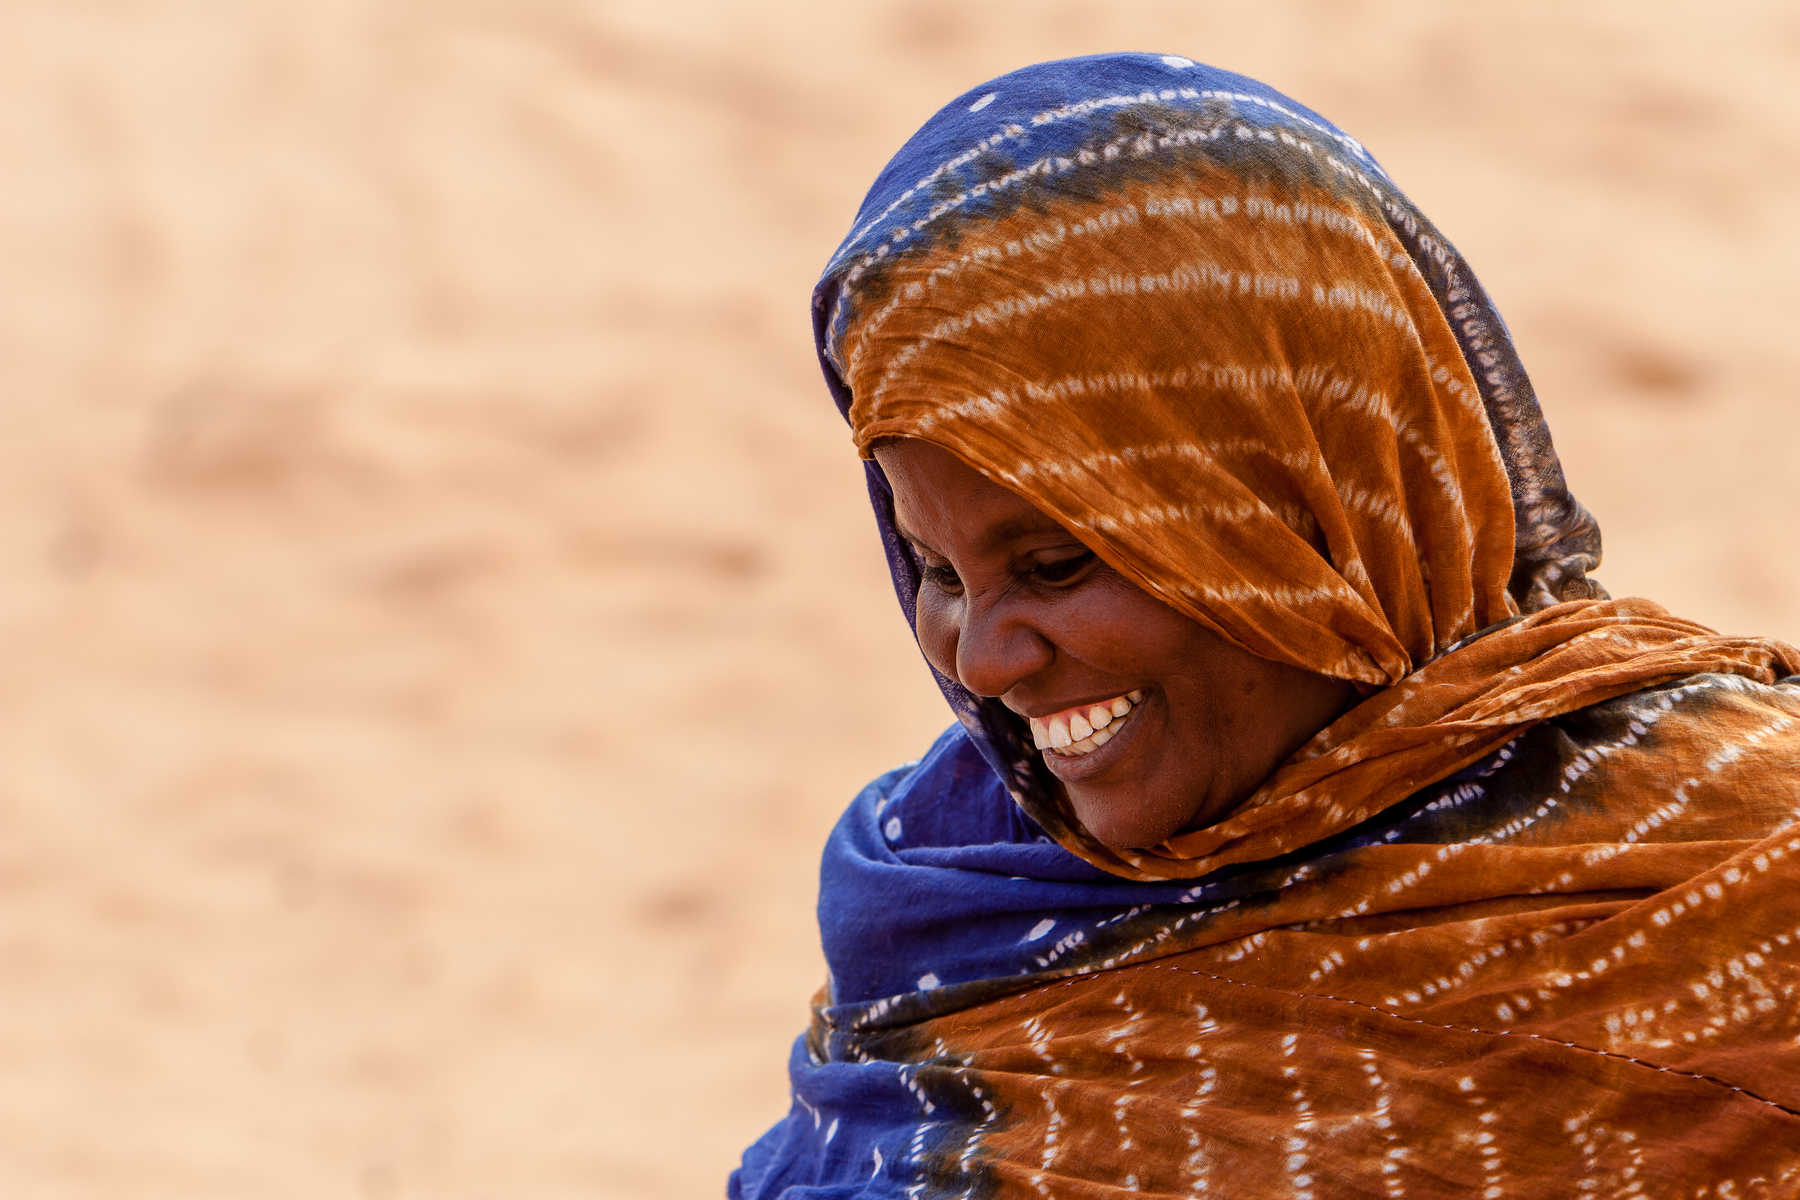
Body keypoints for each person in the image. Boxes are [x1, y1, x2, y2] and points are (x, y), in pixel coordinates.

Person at [731, 53, 1800, 1198]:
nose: (984, 660)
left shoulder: (1739, 881)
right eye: (935, 571)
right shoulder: (951, 911)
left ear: (1300, 508)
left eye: (1055, 564)